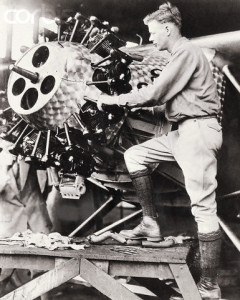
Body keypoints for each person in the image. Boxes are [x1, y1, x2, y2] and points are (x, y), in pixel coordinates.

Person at [88, 2, 223, 299]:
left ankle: (210, 288)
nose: (151, 39)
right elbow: (165, 102)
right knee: (135, 155)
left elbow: (155, 93)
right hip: (184, 131)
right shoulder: (181, 55)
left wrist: (107, 100)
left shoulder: (186, 52)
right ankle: (150, 223)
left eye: (152, 33)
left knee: (203, 209)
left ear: (167, 28)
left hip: (198, 131)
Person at [0, 138, 52, 299]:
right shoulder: (2, 161)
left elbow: (45, 185)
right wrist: (4, 165)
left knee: (43, 274)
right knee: (4, 275)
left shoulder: (30, 155)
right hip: (10, 225)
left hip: (37, 221)